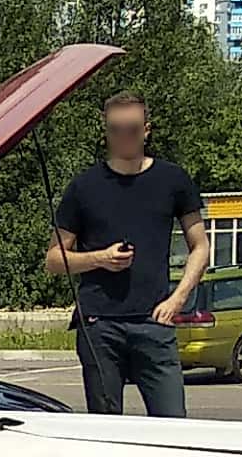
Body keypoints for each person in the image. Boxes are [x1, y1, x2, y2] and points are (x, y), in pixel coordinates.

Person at [48, 92, 208, 417]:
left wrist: (177, 300)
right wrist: (99, 258)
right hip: (99, 325)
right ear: (105, 132)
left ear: (146, 129)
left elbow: (201, 246)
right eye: (116, 129)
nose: (124, 137)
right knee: (106, 430)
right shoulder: (84, 187)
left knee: (173, 426)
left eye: (132, 128)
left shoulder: (172, 180)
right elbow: (53, 259)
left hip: (155, 321)